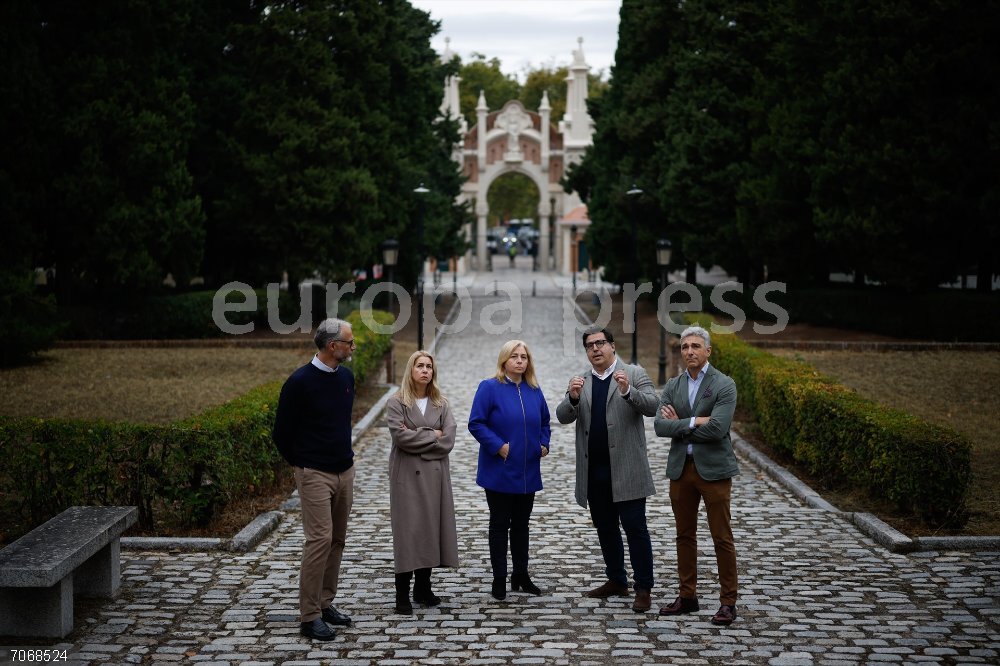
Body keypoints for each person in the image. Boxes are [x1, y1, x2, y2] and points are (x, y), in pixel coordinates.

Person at [555, 326, 659, 613]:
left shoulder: (634, 373)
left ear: (612, 346)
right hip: (595, 471)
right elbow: (563, 416)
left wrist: (628, 392)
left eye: (601, 343)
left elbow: (653, 406)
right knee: (605, 528)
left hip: (627, 469)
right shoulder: (581, 380)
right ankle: (616, 579)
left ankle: (643, 588)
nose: (595, 349)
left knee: (636, 528)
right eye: (590, 345)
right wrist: (572, 398)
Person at [272, 317, 358, 641]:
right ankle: (309, 616)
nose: (353, 346)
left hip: (344, 471)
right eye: (349, 342)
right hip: (314, 474)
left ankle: (325, 604)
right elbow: (281, 433)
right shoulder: (299, 383)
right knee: (319, 540)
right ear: (332, 346)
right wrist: (302, 466)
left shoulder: (347, 377)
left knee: (337, 540)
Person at [654, 325, 740, 626]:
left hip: (714, 472)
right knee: (684, 536)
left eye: (694, 346)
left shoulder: (724, 385)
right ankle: (687, 596)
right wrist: (696, 421)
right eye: (684, 347)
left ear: (708, 350)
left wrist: (682, 424)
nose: (689, 351)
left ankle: (728, 602)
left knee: (721, 537)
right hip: (681, 471)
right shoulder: (673, 385)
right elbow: (660, 427)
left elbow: (718, 429)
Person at [468, 339, 551, 601]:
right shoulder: (489, 387)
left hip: (528, 470)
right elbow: (476, 423)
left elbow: (546, 422)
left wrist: (543, 445)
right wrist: (499, 446)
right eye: (514, 356)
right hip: (500, 470)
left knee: (522, 526)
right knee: (500, 524)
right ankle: (499, 578)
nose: (519, 361)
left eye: (524, 357)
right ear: (504, 360)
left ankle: (521, 574)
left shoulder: (534, 390)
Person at [385, 350, 459, 615]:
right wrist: (432, 434)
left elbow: (448, 439)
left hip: (435, 476)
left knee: (430, 528)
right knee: (408, 532)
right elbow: (400, 438)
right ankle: (401, 593)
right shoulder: (396, 402)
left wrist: (419, 436)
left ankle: (423, 588)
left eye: (429, 366)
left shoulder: (442, 403)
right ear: (411, 370)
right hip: (406, 477)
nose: (425, 370)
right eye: (420, 366)